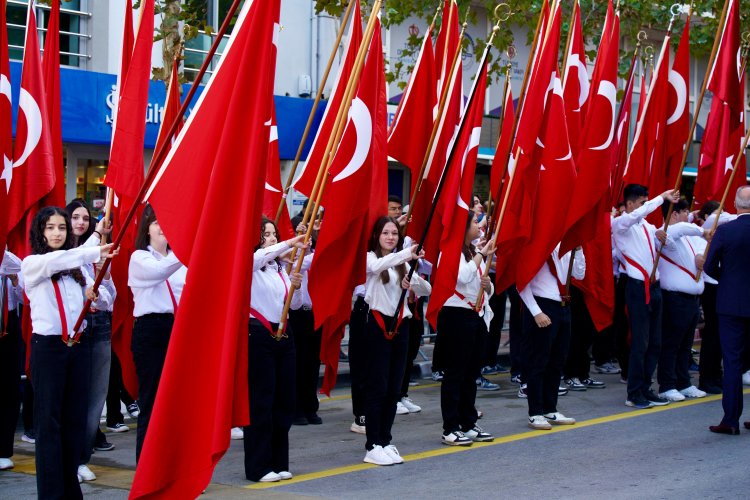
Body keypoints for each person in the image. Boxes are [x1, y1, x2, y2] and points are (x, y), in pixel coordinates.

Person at [22, 207, 116, 499]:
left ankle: (70, 490)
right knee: (49, 424)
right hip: (49, 350)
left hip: (77, 348)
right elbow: (60, 259)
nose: (57, 233)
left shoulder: (76, 271)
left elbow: (106, 299)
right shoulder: (34, 264)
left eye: (61, 228)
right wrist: (96, 244)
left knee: (75, 420)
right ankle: (51, 494)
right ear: (40, 232)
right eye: (50, 228)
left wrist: (96, 293)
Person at [362, 216, 430, 466]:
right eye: (385, 233)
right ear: (377, 236)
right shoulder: (372, 258)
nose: (390, 237)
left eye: (394, 233)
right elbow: (378, 267)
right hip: (378, 328)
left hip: (401, 328)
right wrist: (407, 254)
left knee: (393, 388)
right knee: (377, 387)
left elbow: (427, 290)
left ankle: (385, 439)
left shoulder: (402, 264)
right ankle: (372, 445)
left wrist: (411, 281)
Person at [244, 218, 305, 482]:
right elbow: (258, 257)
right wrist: (289, 243)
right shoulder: (252, 263)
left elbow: (294, 305)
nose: (271, 238)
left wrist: (297, 286)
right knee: (261, 402)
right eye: (266, 234)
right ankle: (258, 466)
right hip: (258, 333)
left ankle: (280, 462)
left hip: (284, 334)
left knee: (284, 400)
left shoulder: (279, 269)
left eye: (273, 233)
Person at [612, 185, 680, 409]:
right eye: (642, 202)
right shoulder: (621, 224)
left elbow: (666, 244)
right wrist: (662, 198)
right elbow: (637, 215)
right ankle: (633, 392)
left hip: (655, 285)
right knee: (640, 342)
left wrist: (663, 236)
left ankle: (644, 387)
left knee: (655, 342)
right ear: (630, 204)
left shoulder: (647, 226)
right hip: (637, 287)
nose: (644, 207)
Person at [128, 205, 187, 462]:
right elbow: (158, 272)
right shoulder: (140, 257)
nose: (161, 227)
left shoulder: (179, 258)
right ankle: (148, 467)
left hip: (179, 329)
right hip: (151, 331)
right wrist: (188, 248)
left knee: (179, 404)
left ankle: (175, 467)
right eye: (155, 222)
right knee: (152, 403)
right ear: (147, 228)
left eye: (166, 221)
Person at [66, 199, 118, 482]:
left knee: (96, 396)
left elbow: (111, 299)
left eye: (85, 218)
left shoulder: (93, 254)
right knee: (76, 396)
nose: (81, 223)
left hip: (100, 326)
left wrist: (104, 275)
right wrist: (99, 235)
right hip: (78, 329)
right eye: (75, 217)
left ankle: (82, 457)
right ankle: (70, 457)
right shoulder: (67, 254)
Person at [439, 212, 496, 446]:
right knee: (455, 374)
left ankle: (468, 423)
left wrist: (488, 285)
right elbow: (461, 277)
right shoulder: (450, 250)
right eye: (474, 222)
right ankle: (450, 428)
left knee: (471, 374)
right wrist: (482, 254)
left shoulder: (472, 252)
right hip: (456, 315)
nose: (478, 226)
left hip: (476, 314)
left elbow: (482, 287)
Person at [518, 244, 585, 430]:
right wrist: (535, 312)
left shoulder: (566, 245)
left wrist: (578, 250)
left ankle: (550, 408)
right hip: (542, 305)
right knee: (538, 362)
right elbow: (521, 282)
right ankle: (535, 412)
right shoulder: (539, 244)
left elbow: (579, 275)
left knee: (557, 362)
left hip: (563, 304)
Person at [705, 186, 750, 435]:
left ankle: (730, 420)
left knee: (732, 362)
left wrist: (729, 280)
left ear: (735, 204)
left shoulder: (726, 230)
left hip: (731, 304)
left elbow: (709, 267)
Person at [655, 199, 707, 402]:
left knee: (686, 344)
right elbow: (679, 231)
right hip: (674, 298)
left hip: (692, 299)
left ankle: (683, 383)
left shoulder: (690, 235)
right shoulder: (664, 233)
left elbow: (701, 246)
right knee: (671, 343)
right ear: (673, 214)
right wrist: (702, 231)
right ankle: (667, 385)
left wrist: (702, 257)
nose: (689, 215)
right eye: (685, 211)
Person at [0, 251, 23, 471]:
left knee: (9, 389)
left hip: (8, 325)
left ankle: (4, 449)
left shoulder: (10, 259)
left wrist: (16, 282)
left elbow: (22, 296)